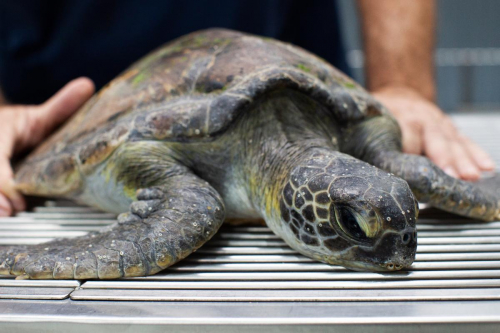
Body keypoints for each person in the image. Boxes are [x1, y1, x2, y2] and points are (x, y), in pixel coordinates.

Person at [0, 0, 495, 216]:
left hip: (281, 48)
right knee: (193, 207)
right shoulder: (189, 201)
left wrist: (402, 86)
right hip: (60, 97)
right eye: (349, 222)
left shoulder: (357, 141)